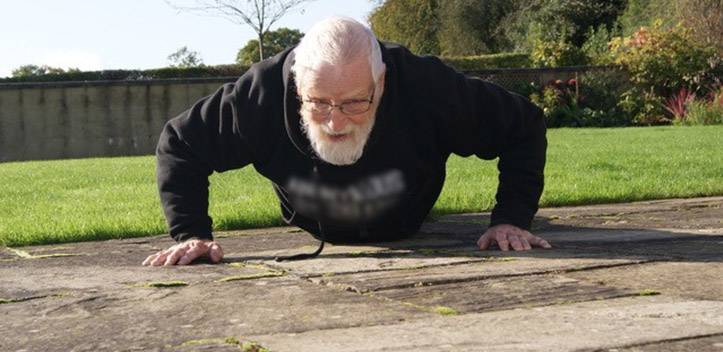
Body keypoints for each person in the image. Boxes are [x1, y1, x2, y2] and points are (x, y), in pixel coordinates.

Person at [142, 15, 550, 266]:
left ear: (382, 81)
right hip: (311, 216)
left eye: (355, 102)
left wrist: (511, 218)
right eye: (319, 102)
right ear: (297, 85)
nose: (335, 122)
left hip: (406, 215)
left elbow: (523, 126)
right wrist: (191, 232)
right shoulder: (259, 95)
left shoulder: (429, 87)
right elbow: (181, 143)